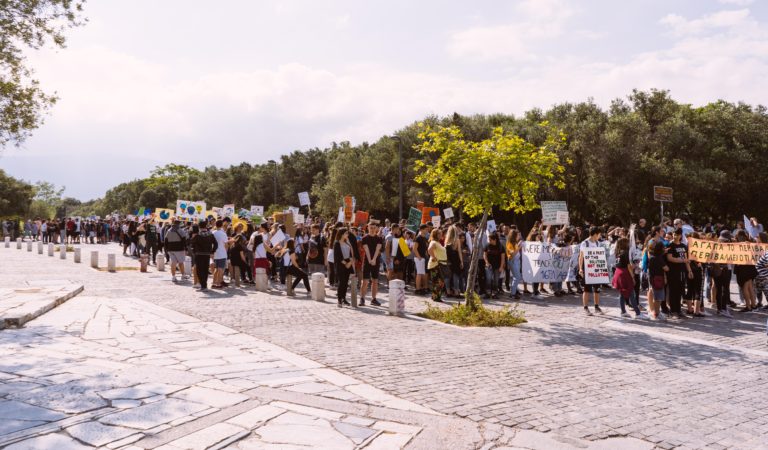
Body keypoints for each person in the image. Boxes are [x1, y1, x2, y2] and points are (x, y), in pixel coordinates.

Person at [666, 228, 692, 319]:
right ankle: (673, 311)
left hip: (682, 272)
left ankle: (678, 310)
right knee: (673, 291)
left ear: (681, 235)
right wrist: (681, 260)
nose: (675, 236)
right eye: (674, 234)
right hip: (673, 272)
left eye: (677, 234)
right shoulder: (670, 245)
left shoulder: (684, 246)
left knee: (680, 291)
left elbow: (686, 260)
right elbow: (670, 258)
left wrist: (689, 270)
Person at [613, 237, 641, 318]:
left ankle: (623, 311)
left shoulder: (618, 252)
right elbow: (629, 266)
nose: (629, 244)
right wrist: (632, 277)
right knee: (631, 293)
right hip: (625, 273)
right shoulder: (626, 253)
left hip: (618, 272)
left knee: (622, 293)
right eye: (628, 242)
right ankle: (638, 313)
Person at [578, 226, 603, 315]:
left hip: (596, 268)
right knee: (587, 289)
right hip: (587, 268)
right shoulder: (585, 243)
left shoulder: (598, 243)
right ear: (595, 234)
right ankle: (585, 308)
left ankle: (596, 307)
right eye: (599, 234)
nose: (600, 236)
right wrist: (580, 268)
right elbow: (581, 257)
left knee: (597, 289)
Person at [360, 223, 383, 306]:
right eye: (371, 228)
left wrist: (374, 259)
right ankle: (362, 298)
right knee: (365, 281)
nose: (372, 229)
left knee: (375, 281)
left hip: (376, 261)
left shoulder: (379, 238)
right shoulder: (365, 238)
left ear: (376, 228)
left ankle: (373, 299)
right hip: (367, 261)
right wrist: (370, 260)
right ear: (368, 228)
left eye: (374, 228)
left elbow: (378, 249)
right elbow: (366, 250)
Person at [190, 223, 217, 291]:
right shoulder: (210, 235)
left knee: (199, 270)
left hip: (199, 254)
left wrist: (194, 251)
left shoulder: (197, 236)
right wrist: (212, 252)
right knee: (205, 270)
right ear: (206, 226)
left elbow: (191, 244)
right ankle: (204, 285)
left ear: (199, 227)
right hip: (207, 254)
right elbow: (216, 244)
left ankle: (203, 286)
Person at [647, 239, 669, 320]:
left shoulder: (652, 257)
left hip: (652, 278)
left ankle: (655, 312)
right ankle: (657, 313)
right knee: (658, 298)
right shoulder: (659, 259)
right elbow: (666, 268)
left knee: (655, 295)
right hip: (658, 279)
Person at [334, 227, 353, 307]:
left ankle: (344, 298)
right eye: (346, 233)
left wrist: (350, 262)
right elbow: (337, 256)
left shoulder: (347, 242)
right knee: (341, 282)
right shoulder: (337, 243)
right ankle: (339, 300)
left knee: (346, 283)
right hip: (341, 264)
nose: (347, 234)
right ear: (342, 234)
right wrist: (346, 263)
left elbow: (351, 254)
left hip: (348, 263)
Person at [427, 228, 448, 303]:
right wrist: (433, 257)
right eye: (439, 233)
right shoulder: (433, 242)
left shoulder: (438, 242)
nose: (441, 235)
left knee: (440, 281)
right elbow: (429, 249)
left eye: (441, 233)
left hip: (440, 264)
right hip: (435, 265)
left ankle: (436, 296)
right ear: (435, 234)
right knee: (438, 281)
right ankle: (436, 297)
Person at [483, 233, 505, 299]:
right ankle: (488, 293)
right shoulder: (487, 245)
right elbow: (484, 255)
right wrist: (486, 262)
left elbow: (503, 258)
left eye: (490, 240)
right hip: (489, 266)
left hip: (497, 266)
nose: (489, 241)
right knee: (488, 279)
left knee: (496, 280)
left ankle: (495, 293)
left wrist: (501, 266)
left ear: (495, 239)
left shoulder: (500, 247)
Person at [211, 220, 229, 289]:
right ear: (221, 225)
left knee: (216, 269)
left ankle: (214, 283)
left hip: (215, 253)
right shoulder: (223, 233)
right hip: (222, 253)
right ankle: (218, 283)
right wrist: (226, 252)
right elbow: (226, 244)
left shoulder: (213, 232)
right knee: (221, 269)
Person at [413, 224, 429, 295]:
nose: (427, 230)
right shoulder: (418, 238)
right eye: (426, 229)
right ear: (421, 229)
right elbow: (414, 249)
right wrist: (419, 257)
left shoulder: (425, 238)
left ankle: (421, 288)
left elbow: (425, 249)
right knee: (419, 274)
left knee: (422, 273)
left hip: (423, 258)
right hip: (418, 258)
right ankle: (417, 289)